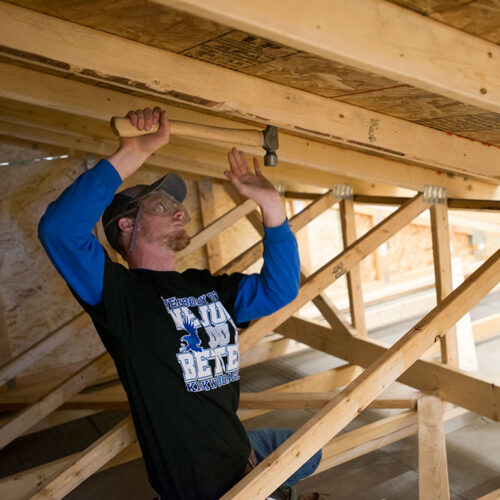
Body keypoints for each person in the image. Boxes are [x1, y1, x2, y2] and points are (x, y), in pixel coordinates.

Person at [38, 107, 322, 500]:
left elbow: (279, 290)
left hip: (240, 448)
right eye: (159, 205)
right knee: (303, 457)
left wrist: (271, 206)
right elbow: (59, 230)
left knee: (313, 450)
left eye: (175, 205)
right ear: (125, 224)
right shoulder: (121, 296)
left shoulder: (202, 286)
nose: (178, 211)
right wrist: (134, 153)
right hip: (207, 487)